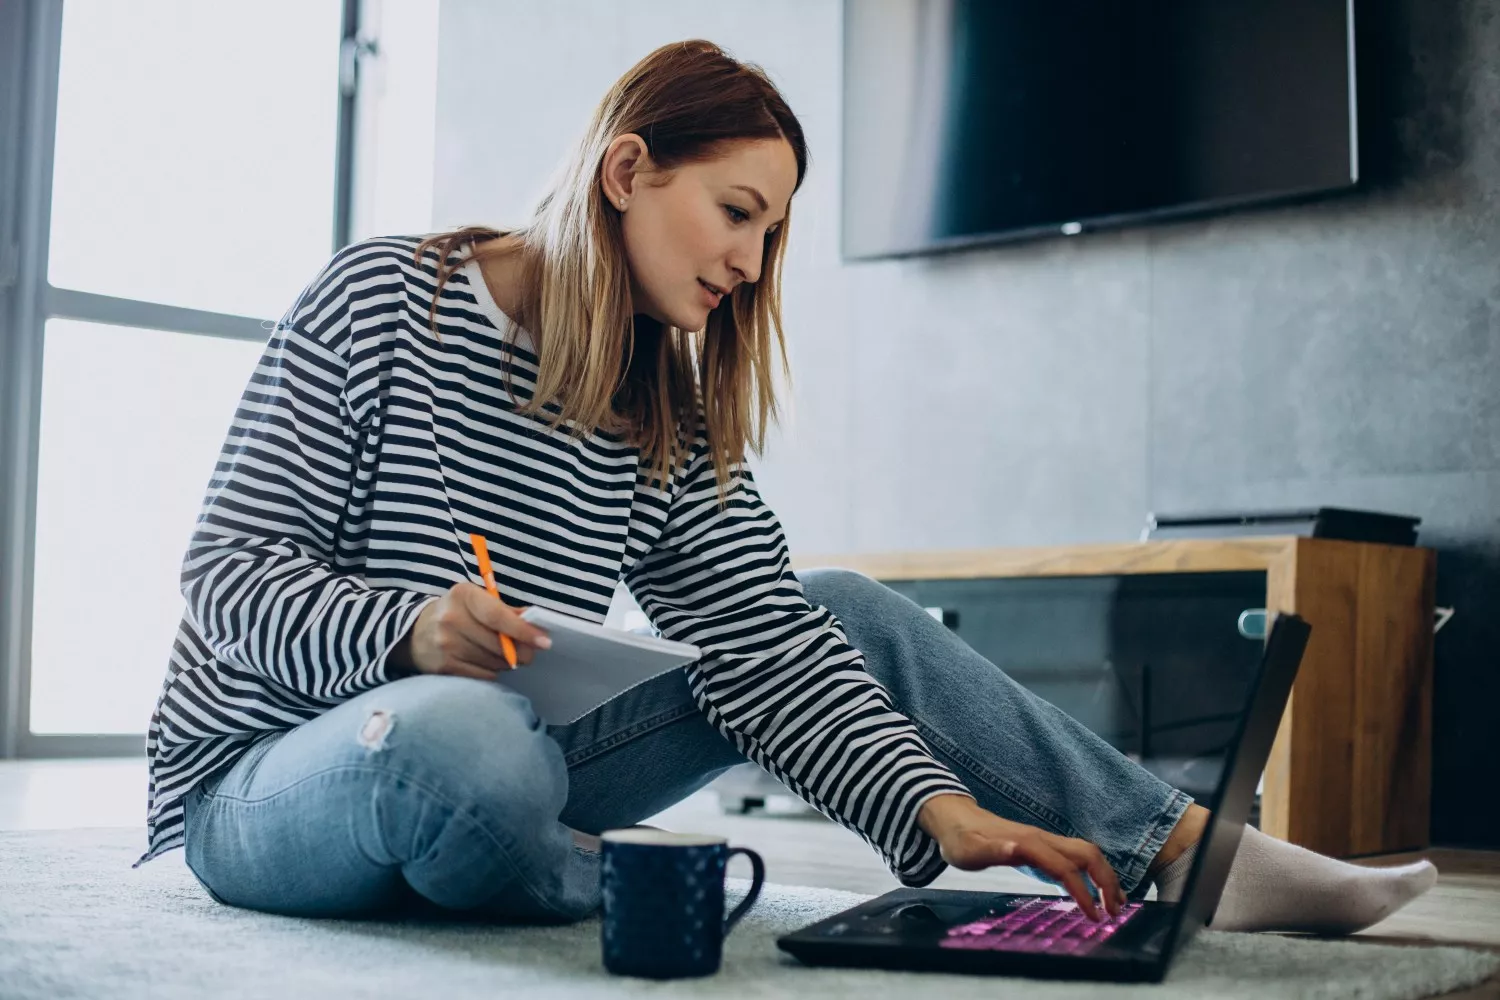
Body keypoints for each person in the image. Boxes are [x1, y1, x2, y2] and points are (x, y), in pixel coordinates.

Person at [137, 39, 1436, 934]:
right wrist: (409, 630)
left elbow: (772, 645)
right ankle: (568, 876)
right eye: (739, 213)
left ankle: (1194, 859)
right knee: (461, 742)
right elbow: (226, 580)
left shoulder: (667, 404)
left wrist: (939, 811)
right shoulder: (385, 302)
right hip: (268, 776)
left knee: (836, 605)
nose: (754, 264)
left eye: (773, 233)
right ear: (628, 171)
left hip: (514, 763)